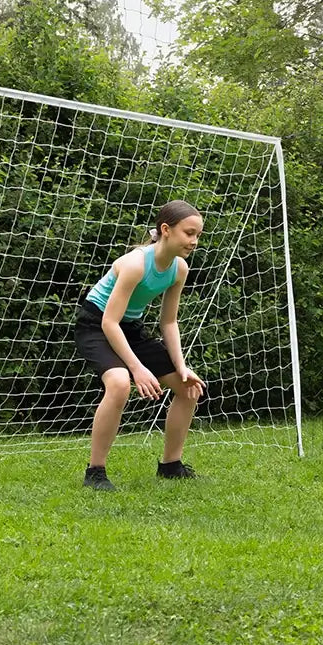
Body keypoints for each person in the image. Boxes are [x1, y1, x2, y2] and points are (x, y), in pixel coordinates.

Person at [74, 200, 206, 491]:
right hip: (96, 324)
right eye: (189, 233)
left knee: (189, 388)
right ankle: (95, 473)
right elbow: (109, 322)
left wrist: (182, 367)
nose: (194, 241)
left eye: (198, 235)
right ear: (166, 229)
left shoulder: (179, 269)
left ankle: (171, 466)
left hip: (129, 328)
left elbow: (168, 322)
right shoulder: (135, 264)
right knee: (120, 383)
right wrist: (137, 369)